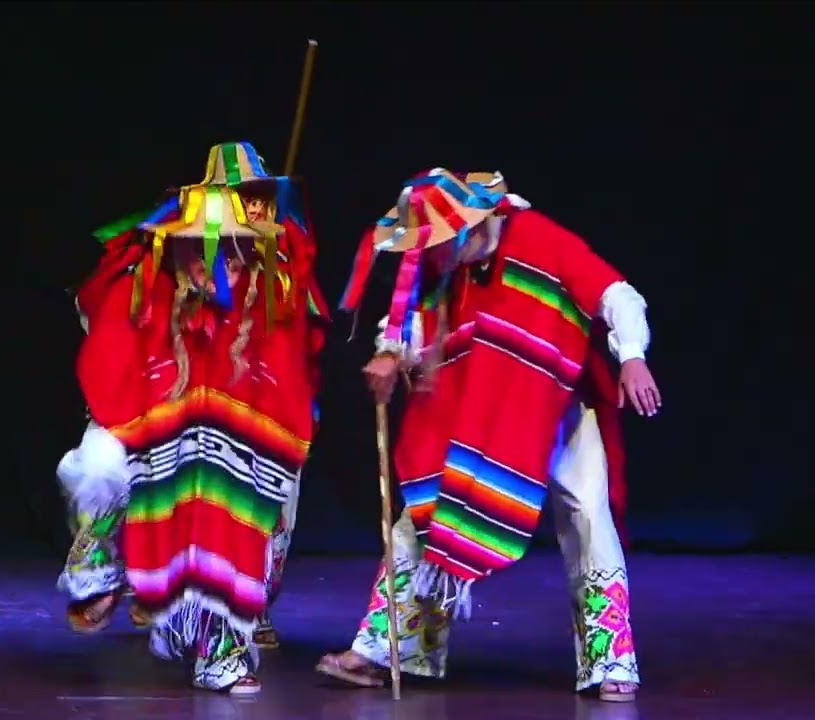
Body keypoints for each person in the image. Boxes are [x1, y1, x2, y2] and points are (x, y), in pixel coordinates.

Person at [315, 169, 661, 702]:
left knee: (588, 516)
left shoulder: (542, 241)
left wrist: (632, 358)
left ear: (469, 227)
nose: (427, 254)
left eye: (436, 241)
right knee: (423, 514)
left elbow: (616, 294)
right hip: (485, 416)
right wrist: (391, 353)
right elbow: (411, 321)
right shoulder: (447, 270)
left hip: (558, 407)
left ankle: (611, 661)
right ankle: (391, 650)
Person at [55, 141, 327, 694]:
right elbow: (100, 337)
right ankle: (102, 571)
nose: (217, 261)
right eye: (203, 247)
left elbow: (299, 363)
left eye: (233, 248)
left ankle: (220, 643)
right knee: (96, 467)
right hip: (148, 421)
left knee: (246, 503)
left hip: (240, 432)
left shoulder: (278, 282)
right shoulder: (142, 276)